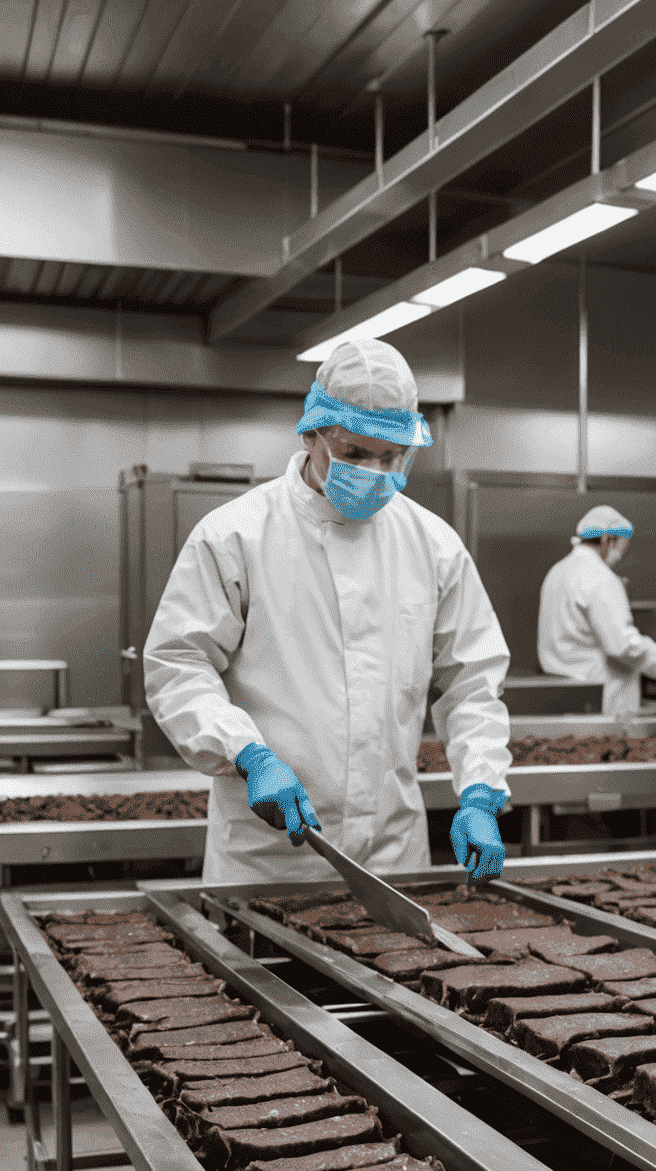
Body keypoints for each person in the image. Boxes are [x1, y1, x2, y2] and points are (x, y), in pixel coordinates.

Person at [145, 338, 513, 886]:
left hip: (393, 855)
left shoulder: (433, 546)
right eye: (355, 454)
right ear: (312, 431)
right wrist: (247, 754)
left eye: (392, 457)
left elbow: (472, 683)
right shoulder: (236, 536)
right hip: (269, 856)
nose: (374, 471)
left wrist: (480, 792)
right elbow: (179, 664)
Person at [537, 505, 656, 717]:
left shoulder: (557, 571)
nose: (620, 554)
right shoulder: (601, 577)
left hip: (565, 691)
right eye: (621, 546)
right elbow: (623, 646)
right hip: (602, 694)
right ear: (606, 540)